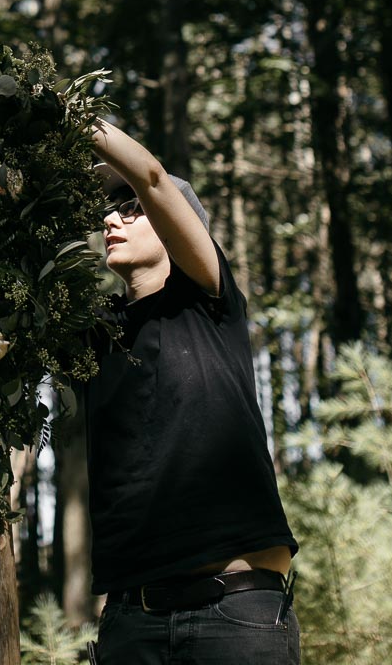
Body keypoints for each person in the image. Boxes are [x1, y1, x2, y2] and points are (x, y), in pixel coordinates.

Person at [83, 119, 300, 664]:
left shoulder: (207, 299)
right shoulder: (94, 334)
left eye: (129, 208)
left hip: (235, 616)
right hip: (130, 624)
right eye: (108, 211)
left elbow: (153, 178)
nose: (112, 217)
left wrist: (70, 114)